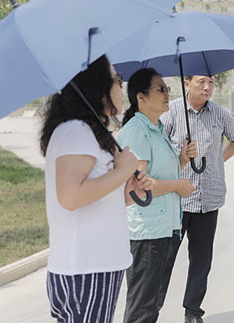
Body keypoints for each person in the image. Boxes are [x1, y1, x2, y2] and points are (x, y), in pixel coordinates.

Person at [39, 55, 151, 323]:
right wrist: (122, 171)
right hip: (87, 270)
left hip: (94, 267)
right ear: (97, 86)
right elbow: (71, 197)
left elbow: (90, 196)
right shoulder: (76, 131)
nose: (121, 86)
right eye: (117, 79)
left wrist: (125, 193)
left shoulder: (86, 131)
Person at [159, 74, 234, 323]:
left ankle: (193, 311)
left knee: (201, 260)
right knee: (164, 260)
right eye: (201, 82)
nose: (207, 88)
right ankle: (151, 310)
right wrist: (178, 159)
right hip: (177, 199)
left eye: (211, 83)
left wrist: (218, 161)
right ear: (187, 83)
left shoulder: (220, 113)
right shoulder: (171, 112)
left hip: (209, 199)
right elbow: (159, 147)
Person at [118, 68, 198, 323]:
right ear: (140, 97)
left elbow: (159, 173)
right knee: (142, 308)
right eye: (160, 89)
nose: (167, 94)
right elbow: (139, 187)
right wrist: (178, 185)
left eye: (167, 89)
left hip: (163, 227)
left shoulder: (157, 128)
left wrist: (182, 159)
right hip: (146, 231)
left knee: (150, 305)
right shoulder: (137, 131)